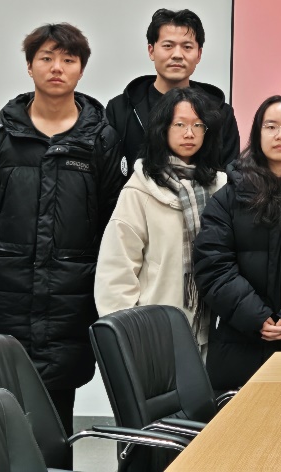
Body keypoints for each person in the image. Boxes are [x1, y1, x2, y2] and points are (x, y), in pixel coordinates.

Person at [0, 23, 125, 438]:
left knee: (56, 416)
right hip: (5, 295)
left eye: (68, 59)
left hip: (69, 297)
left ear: (81, 70)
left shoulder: (101, 140)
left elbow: (111, 221)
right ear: (30, 66)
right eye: (46, 58)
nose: (57, 68)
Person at [194, 96, 281, 391]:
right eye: (271, 126)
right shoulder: (228, 196)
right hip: (238, 342)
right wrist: (257, 318)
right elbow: (213, 265)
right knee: (238, 419)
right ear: (258, 132)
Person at [94, 87, 228, 354]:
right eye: (180, 124)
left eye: (198, 125)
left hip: (214, 332)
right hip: (155, 333)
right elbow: (117, 269)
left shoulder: (222, 186)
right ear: (162, 128)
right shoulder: (141, 188)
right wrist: (129, 334)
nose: (189, 133)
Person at [106, 8, 241, 173]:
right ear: (151, 51)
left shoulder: (220, 113)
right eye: (168, 46)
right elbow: (109, 175)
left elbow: (230, 176)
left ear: (199, 54)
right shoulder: (120, 110)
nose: (177, 55)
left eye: (187, 47)